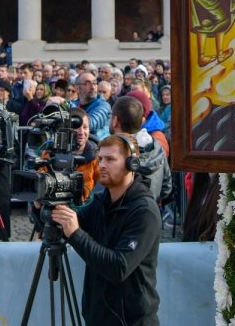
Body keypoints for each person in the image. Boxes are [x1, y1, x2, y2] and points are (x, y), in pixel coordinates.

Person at [48, 134, 162, 326]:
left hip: (131, 321)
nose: (101, 165)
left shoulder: (144, 211)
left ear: (131, 164)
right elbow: (68, 224)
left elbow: (118, 268)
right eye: (100, 158)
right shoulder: (101, 201)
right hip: (97, 318)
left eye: (110, 159)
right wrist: (46, 208)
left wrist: (76, 234)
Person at [76, 71, 111, 140]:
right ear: (77, 88)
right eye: (87, 84)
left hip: (97, 145)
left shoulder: (104, 105)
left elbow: (90, 124)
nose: (92, 87)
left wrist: (65, 103)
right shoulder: (75, 104)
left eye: (94, 83)